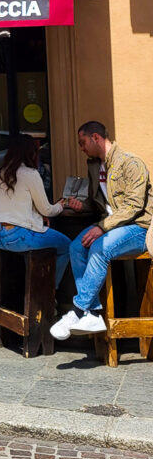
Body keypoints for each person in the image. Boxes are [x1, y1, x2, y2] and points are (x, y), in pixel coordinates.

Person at [51, 121, 153, 340]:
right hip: (111, 225)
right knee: (76, 247)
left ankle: (78, 311)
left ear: (96, 137)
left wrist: (101, 227)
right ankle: (94, 312)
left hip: (139, 227)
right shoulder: (96, 166)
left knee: (98, 248)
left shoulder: (131, 163)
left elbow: (134, 207)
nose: (81, 148)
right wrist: (83, 206)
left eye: (82, 142)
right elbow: (98, 202)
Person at [0, 133, 72, 287]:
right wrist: (61, 204)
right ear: (31, 153)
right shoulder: (30, 174)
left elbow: (13, 204)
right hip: (18, 235)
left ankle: (21, 295)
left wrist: (36, 215)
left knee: (32, 249)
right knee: (68, 245)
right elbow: (47, 210)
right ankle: (49, 293)